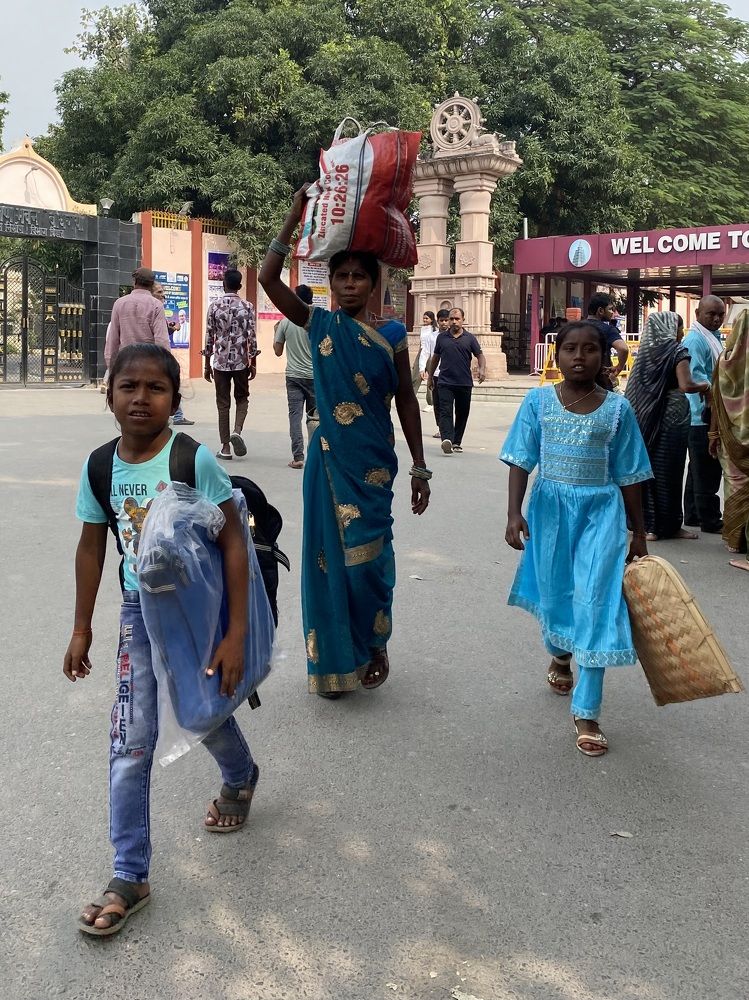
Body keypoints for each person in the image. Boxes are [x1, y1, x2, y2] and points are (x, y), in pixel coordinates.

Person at [65, 343, 260, 937]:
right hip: (135, 614)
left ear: (175, 399)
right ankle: (130, 873)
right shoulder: (100, 466)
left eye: (155, 388)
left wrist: (236, 632)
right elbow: (92, 545)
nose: (141, 398)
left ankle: (240, 775)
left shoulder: (191, 459)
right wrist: (80, 627)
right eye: (129, 387)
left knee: (202, 710)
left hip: (194, 611)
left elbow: (232, 541)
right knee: (130, 741)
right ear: (109, 396)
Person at [258, 184, 431, 697]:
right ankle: (334, 661)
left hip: (374, 466)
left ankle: (374, 644)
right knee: (327, 560)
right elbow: (267, 278)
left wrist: (421, 466)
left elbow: (406, 400)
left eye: (359, 276)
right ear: (330, 282)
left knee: (370, 563)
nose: (349, 283)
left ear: (376, 284)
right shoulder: (318, 322)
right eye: (341, 276)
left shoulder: (394, 335)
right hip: (329, 463)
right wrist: (293, 215)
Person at [501, 321, 651, 757]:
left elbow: (631, 474)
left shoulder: (618, 410)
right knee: (556, 595)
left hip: (601, 514)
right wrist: (515, 512)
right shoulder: (537, 402)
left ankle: (587, 710)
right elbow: (519, 459)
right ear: (556, 354)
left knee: (597, 602)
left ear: (605, 358)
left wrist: (637, 532)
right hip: (550, 514)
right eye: (569, 349)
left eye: (590, 349)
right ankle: (560, 652)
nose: (579, 357)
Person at [625, 312, 709, 539]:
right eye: (679, 327)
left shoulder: (645, 352)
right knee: (670, 471)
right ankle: (670, 525)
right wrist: (707, 387)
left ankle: (649, 526)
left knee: (647, 469)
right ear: (670, 329)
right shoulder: (677, 351)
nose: (682, 333)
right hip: (672, 418)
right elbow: (686, 385)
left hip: (643, 417)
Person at [709, 309, 749, 570]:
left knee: (735, 484)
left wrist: (713, 433)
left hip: (732, 438)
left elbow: (715, 400)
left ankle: (736, 540)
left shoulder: (724, 362)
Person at [683, 294, 726, 532]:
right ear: (698, 314)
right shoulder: (696, 340)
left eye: (720, 314)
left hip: (702, 414)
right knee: (708, 469)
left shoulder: (711, 337)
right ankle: (710, 519)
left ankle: (693, 515)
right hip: (701, 413)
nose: (717, 319)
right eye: (711, 314)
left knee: (698, 469)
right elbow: (696, 377)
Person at [203, 268, 257, 461]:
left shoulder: (214, 306)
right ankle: (237, 431)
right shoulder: (248, 306)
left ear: (223, 284)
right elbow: (252, 336)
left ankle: (225, 447)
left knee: (222, 403)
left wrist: (206, 365)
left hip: (220, 363)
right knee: (242, 398)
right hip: (241, 361)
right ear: (240, 286)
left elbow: (210, 337)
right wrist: (253, 363)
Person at [426, 307, 486, 453]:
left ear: (463, 320)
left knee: (462, 412)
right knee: (445, 411)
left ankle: (456, 442)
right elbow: (435, 358)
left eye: (457, 319)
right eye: (451, 319)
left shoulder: (470, 338)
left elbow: (480, 355)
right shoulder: (442, 338)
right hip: (445, 382)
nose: (454, 322)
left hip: (464, 383)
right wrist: (430, 377)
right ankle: (447, 439)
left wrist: (482, 369)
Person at [274, 284, 317, 469]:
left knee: (295, 417)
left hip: (293, 376)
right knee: (315, 418)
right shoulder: (317, 321)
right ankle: (317, 457)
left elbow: (277, 351)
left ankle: (298, 457)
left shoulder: (285, 322)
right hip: (315, 377)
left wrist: (274, 332)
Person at [104, 267, 170, 371]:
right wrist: (164, 367)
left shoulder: (119, 303)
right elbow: (162, 341)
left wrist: (111, 366)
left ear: (134, 282)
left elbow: (113, 340)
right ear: (152, 284)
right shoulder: (156, 305)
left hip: (125, 364)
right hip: (148, 365)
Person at [152, 282, 194, 426]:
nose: (162, 295)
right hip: (157, 356)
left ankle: (176, 415)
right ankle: (176, 416)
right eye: (159, 292)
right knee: (170, 384)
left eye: (163, 291)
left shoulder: (158, 309)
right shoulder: (155, 308)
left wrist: (171, 328)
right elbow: (158, 334)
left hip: (157, 355)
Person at [586, 292, 629, 383]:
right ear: (601, 311)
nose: (612, 312)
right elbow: (623, 349)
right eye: (610, 309)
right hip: (601, 377)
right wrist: (619, 367)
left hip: (579, 377)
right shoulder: (608, 329)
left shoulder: (574, 328)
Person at [427, 309, 450, 439]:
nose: (444, 323)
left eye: (446, 320)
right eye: (442, 320)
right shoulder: (432, 336)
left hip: (448, 374)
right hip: (436, 374)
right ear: (438, 321)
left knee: (446, 403)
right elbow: (429, 354)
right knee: (437, 403)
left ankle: (448, 429)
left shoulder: (453, 336)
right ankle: (441, 428)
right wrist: (425, 371)